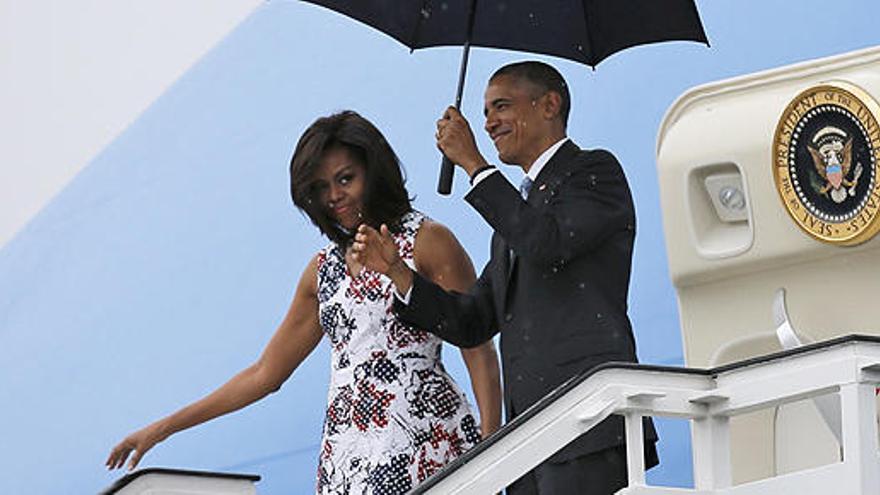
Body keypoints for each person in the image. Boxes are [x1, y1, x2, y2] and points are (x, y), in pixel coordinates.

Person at [105, 111, 501, 495]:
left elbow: (478, 348)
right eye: (320, 187)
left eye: (346, 179)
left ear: (374, 171)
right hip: (348, 460)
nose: (334, 196)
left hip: (428, 444)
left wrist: (491, 444)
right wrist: (164, 428)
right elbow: (265, 374)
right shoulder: (321, 270)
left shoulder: (428, 240)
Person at [351, 61, 658, 495]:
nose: (489, 123)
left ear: (549, 104)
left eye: (502, 106)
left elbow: (548, 244)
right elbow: (473, 320)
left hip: (589, 423)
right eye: (485, 112)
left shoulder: (594, 172)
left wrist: (476, 166)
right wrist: (401, 274)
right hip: (528, 437)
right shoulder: (514, 220)